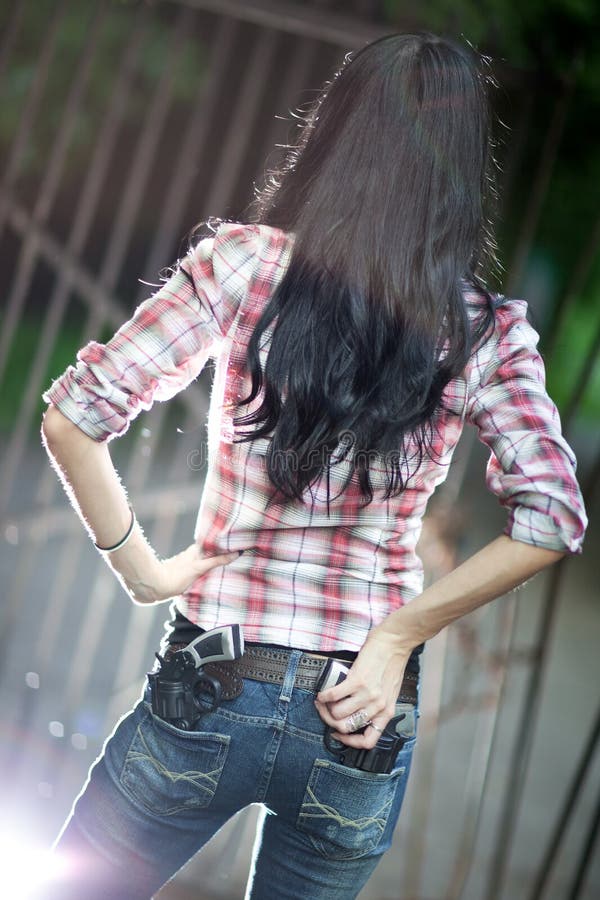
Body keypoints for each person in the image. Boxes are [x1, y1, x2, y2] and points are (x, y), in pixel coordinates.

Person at [39, 31, 586, 900]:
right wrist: (398, 636)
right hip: (360, 707)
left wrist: (142, 569)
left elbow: (73, 419)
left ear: (334, 131)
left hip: (213, 676)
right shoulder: (484, 331)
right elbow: (552, 519)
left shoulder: (242, 265)